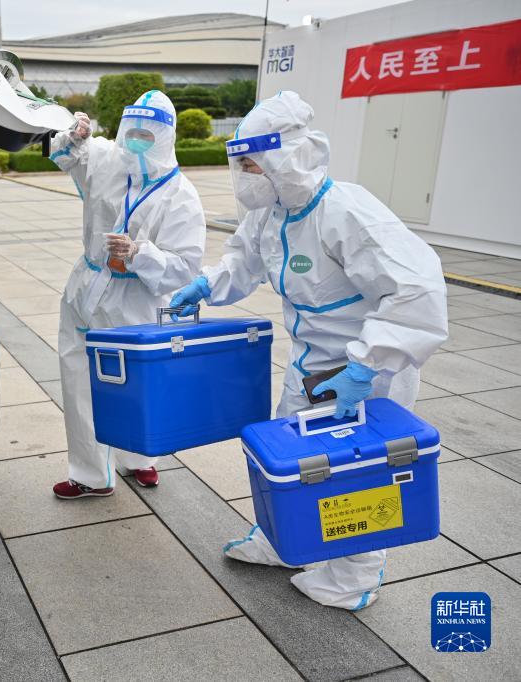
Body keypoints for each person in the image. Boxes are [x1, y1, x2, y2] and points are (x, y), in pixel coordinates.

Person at [169, 91, 448, 610]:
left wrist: (366, 366)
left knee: (360, 470)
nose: (246, 175)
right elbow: (243, 261)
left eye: (253, 164)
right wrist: (207, 285)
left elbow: (417, 290)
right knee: (292, 459)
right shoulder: (270, 214)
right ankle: (286, 540)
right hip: (310, 366)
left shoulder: (347, 212)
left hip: (366, 369)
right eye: (242, 165)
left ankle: (356, 575)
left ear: (288, 158)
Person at [48, 90, 206, 498]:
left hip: (135, 299)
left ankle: (139, 458)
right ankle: (90, 474)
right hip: (88, 286)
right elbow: (63, 155)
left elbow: (185, 265)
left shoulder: (180, 194)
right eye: (131, 131)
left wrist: (139, 254)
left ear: (165, 137)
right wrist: (75, 136)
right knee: (79, 381)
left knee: (136, 385)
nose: (135, 141)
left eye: (146, 135)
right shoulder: (106, 159)